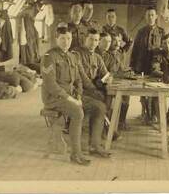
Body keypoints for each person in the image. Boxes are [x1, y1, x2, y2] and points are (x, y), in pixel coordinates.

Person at [40, 26, 90, 165]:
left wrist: (79, 95)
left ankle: (86, 146)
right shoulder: (49, 57)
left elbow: (78, 79)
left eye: (68, 38)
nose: (66, 42)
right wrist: (72, 99)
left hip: (70, 96)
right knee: (78, 113)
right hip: (53, 98)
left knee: (93, 107)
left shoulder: (73, 56)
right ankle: (76, 154)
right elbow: (51, 85)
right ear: (56, 39)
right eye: (62, 38)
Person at [72, 28, 112, 158]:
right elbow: (82, 78)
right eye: (91, 39)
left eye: (96, 40)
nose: (93, 43)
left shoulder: (97, 57)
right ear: (85, 39)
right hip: (77, 92)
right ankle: (96, 143)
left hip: (90, 92)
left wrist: (104, 80)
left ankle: (97, 140)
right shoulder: (77, 54)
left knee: (104, 102)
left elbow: (106, 74)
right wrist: (95, 89)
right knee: (100, 106)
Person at [130, 6, 166, 125]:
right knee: (143, 91)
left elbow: (165, 49)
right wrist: (132, 66)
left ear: (156, 17)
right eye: (148, 15)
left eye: (152, 15)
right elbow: (135, 50)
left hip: (155, 66)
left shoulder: (161, 32)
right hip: (142, 65)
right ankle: (144, 113)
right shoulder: (141, 32)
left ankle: (154, 114)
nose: (150, 17)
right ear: (145, 17)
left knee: (155, 90)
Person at [98, 33, 133, 130]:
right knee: (109, 98)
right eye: (114, 41)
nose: (117, 43)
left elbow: (118, 70)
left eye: (119, 41)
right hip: (101, 84)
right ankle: (106, 126)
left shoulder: (119, 54)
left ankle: (121, 122)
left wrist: (127, 72)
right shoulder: (104, 54)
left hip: (112, 81)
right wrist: (118, 75)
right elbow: (106, 74)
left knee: (126, 95)